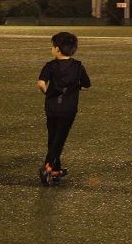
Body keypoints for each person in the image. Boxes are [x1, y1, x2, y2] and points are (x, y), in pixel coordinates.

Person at [37, 31, 91, 186]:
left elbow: (41, 83)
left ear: (57, 49)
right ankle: (48, 166)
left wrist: (47, 93)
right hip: (68, 108)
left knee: (53, 136)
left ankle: (55, 169)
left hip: (52, 107)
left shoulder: (50, 66)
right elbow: (87, 85)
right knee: (59, 139)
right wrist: (75, 88)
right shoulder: (78, 66)